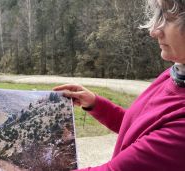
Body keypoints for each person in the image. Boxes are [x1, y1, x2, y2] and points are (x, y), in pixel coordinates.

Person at [53, 0, 185, 170]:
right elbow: (139, 129)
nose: (154, 31)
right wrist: (96, 104)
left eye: (169, 18)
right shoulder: (176, 73)